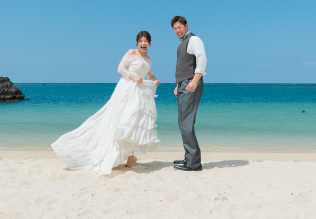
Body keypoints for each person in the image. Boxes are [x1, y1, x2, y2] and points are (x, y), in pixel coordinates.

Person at [51, 31, 160, 175]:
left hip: (139, 93)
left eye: (146, 41)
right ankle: (128, 159)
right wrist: (133, 77)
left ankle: (130, 159)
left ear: (150, 43)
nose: (143, 43)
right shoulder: (131, 52)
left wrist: (154, 80)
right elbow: (120, 68)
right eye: (140, 41)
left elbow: (149, 74)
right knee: (123, 121)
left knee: (133, 122)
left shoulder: (148, 59)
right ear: (137, 43)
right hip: (127, 89)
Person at [171, 16, 207, 171]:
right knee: (184, 122)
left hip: (191, 83)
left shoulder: (194, 39)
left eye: (180, 27)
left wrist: (194, 81)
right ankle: (189, 158)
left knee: (186, 122)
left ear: (186, 26)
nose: (177, 31)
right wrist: (178, 85)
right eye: (174, 29)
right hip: (184, 84)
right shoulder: (183, 42)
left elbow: (202, 59)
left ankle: (193, 163)